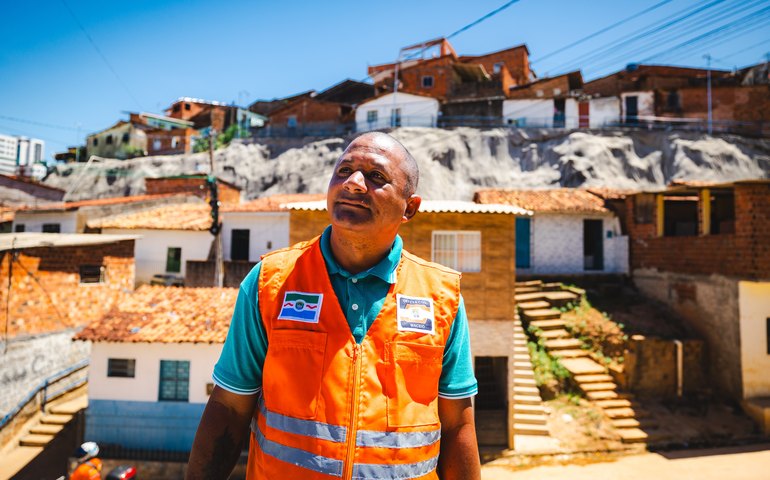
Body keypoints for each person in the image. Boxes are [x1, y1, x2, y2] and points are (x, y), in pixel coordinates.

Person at [187, 132, 481, 480]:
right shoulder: (270, 282)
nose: (354, 183)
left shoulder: (441, 296)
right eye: (344, 170)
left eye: (376, 177)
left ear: (410, 208)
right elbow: (229, 408)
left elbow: (456, 423)